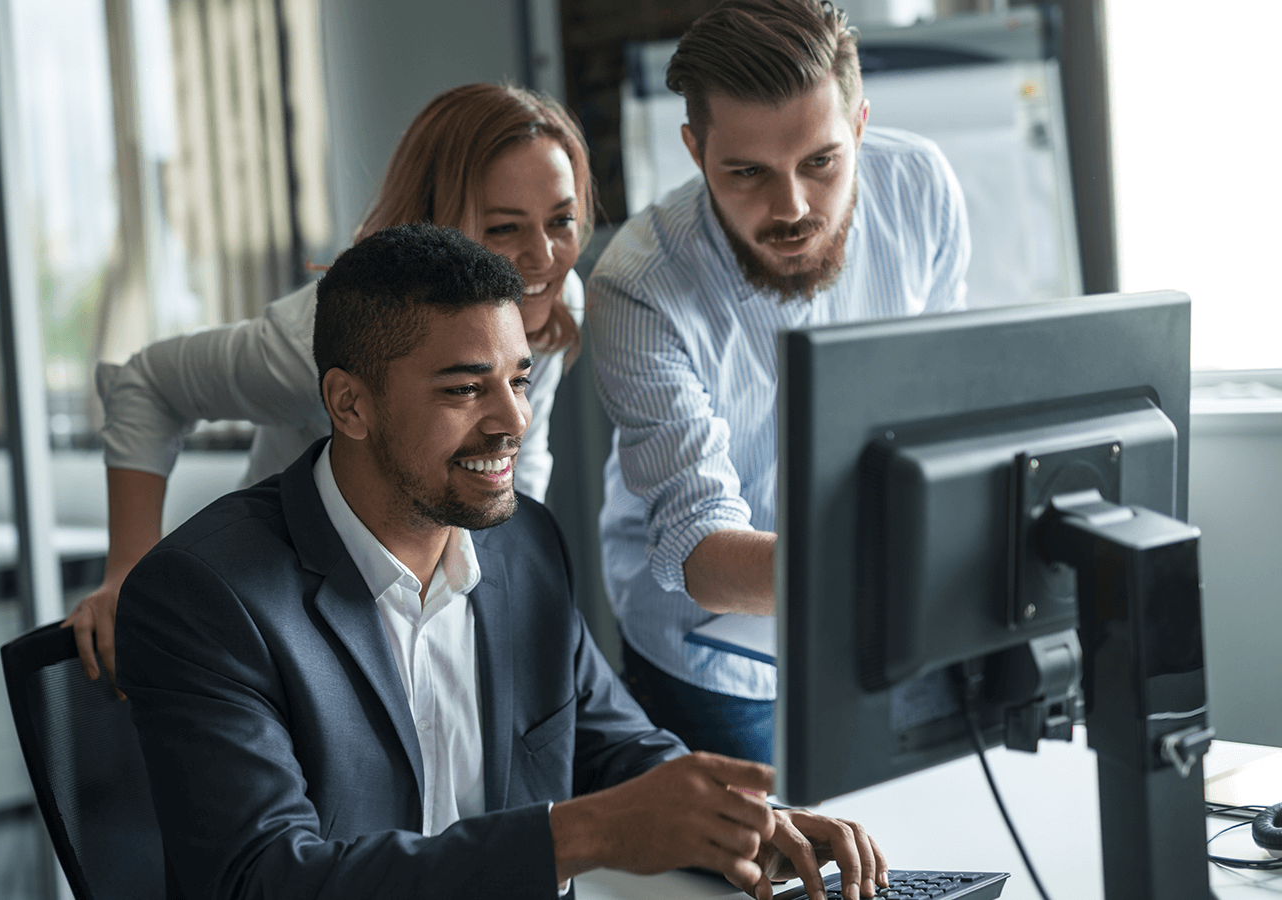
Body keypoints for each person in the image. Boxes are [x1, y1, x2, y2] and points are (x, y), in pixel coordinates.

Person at [115, 223, 886, 900]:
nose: (512, 420)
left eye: (517, 380)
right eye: (464, 390)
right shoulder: (206, 597)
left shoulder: (523, 547)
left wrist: (752, 826)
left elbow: (612, 747)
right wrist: (571, 837)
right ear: (349, 404)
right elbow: (268, 880)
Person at [67, 83, 592, 684]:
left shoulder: (547, 302)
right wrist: (127, 572)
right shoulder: (319, 339)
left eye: (563, 221)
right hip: (289, 595)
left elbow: (517, 472)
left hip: (420, 585)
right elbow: (148, 384)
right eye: (504, 229)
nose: (544, 257)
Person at [587, 0, 971, 761]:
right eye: (748, 172)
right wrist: (901, 563)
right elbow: (702, 550)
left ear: (859, 123)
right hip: (715, 658)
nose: (792, 207)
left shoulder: (920, 187)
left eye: (821, 161)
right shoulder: (637, 287)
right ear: (696, 150)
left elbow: (944, 405)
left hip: (895, 615)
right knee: (770, 877)